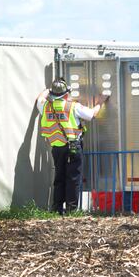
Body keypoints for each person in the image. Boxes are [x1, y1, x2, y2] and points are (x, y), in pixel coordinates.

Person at [36, 78, 107, 215]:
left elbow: (40, 97)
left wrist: (48, 90)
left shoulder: (45, 106)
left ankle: (56, 209)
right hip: (73, 147)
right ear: (67, 94)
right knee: (73, 178)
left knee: (59, 177)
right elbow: (92, 114)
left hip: (56, 148)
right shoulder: (73, 106)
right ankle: (71, 210)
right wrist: (100, 102)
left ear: (52, 94)